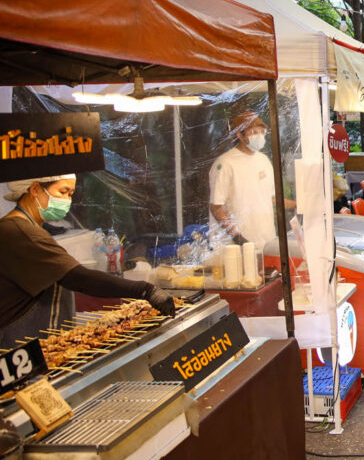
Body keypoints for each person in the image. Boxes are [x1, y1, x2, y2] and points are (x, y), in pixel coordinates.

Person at [0, 175, 175, 348]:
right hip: (17, 343)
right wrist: (144, 290)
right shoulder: (19, 231)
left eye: (70, 194)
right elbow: (77, 278)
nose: (67, 200)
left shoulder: (22, 227)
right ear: (35, 189)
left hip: (33, 339)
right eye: (62, 192)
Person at [209, 110, 292, 249]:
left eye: (262, 132)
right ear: (239, 135)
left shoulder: (263, 160)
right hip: (235, 246)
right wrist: (237, 237)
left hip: (266, 240)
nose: (259, 136)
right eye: (254, 132)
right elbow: (216, 207)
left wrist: (300, 205)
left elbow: (272, 199)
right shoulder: (225, 163)